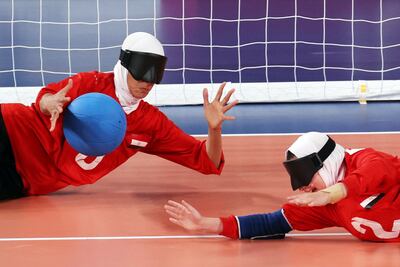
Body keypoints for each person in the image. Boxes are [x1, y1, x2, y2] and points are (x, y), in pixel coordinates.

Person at [0, 32, 238, 199]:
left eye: (154, 75)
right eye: (141, 73)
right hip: (11, 129)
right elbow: (45, 98)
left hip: (24, 178)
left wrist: (214, 128)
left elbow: (208, 162)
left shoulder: (151, 124)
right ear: (124, 65)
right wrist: (49, 103)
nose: (148, 82)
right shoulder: (90, 83)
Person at [165, 132, 400, 242]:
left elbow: (372, 174)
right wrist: (205, 224)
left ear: (325, 162)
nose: (303, 187)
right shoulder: (325, 205)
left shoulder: (365, 159)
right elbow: (271, 223)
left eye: (304, 175)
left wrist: (330, 194)